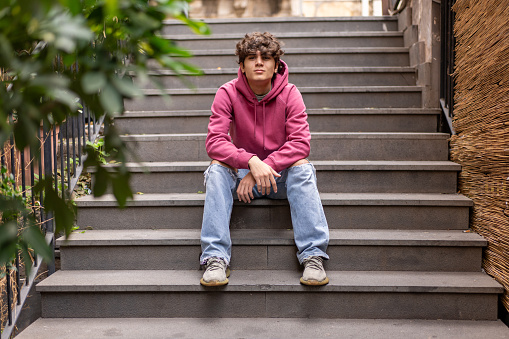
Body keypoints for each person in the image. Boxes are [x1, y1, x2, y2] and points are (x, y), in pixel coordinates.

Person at [200, 32, 329, 287]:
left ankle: (313, 256)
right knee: (216, 170)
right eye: (251, 57)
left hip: (278, 178)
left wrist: (264, 165)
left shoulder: (290, 93)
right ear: (242, 66)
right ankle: (215, 259)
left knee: (303, 168)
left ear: (276, 65)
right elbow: (215, 142)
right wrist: (249, 161)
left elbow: (301, 144)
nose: (259, 62)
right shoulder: (227, 93)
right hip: (241, 182)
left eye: (266, 57)